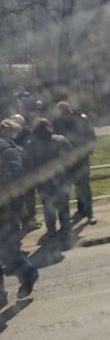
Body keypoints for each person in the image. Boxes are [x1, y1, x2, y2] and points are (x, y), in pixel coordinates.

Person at [0, 119, 38, 305]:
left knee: (9, 254)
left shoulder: (7, 152)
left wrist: (19, 210)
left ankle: (28, 274)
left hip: (6, 212)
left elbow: (17, 182)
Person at [23, 119, 74, 246]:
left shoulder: (31, 144)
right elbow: (72, 156)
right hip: (61, 178)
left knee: (48, 208)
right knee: (64, 207)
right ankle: (66, 231)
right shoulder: (60, 140)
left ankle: (51, 232)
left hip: (43, 181)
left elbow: (28, 165)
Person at [53, 101, 97, 225]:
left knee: (84, 186)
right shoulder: (56, 122)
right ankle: (80, 210)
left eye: (65, 112)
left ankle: (89, 213)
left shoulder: (82, 119)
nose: (63, 115)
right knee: (69, 188)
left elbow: (91, 136)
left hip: (81, 158)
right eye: (61, 112)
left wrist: (88, 150)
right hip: (66, 160)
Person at [10, 114, 40, 232]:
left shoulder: (28, 134)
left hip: (28, 170)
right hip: (17, 172)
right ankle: (26, 221)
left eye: (15, 122)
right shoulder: (10, 136)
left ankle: (30, 219)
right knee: (21, 199)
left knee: (30, 197)